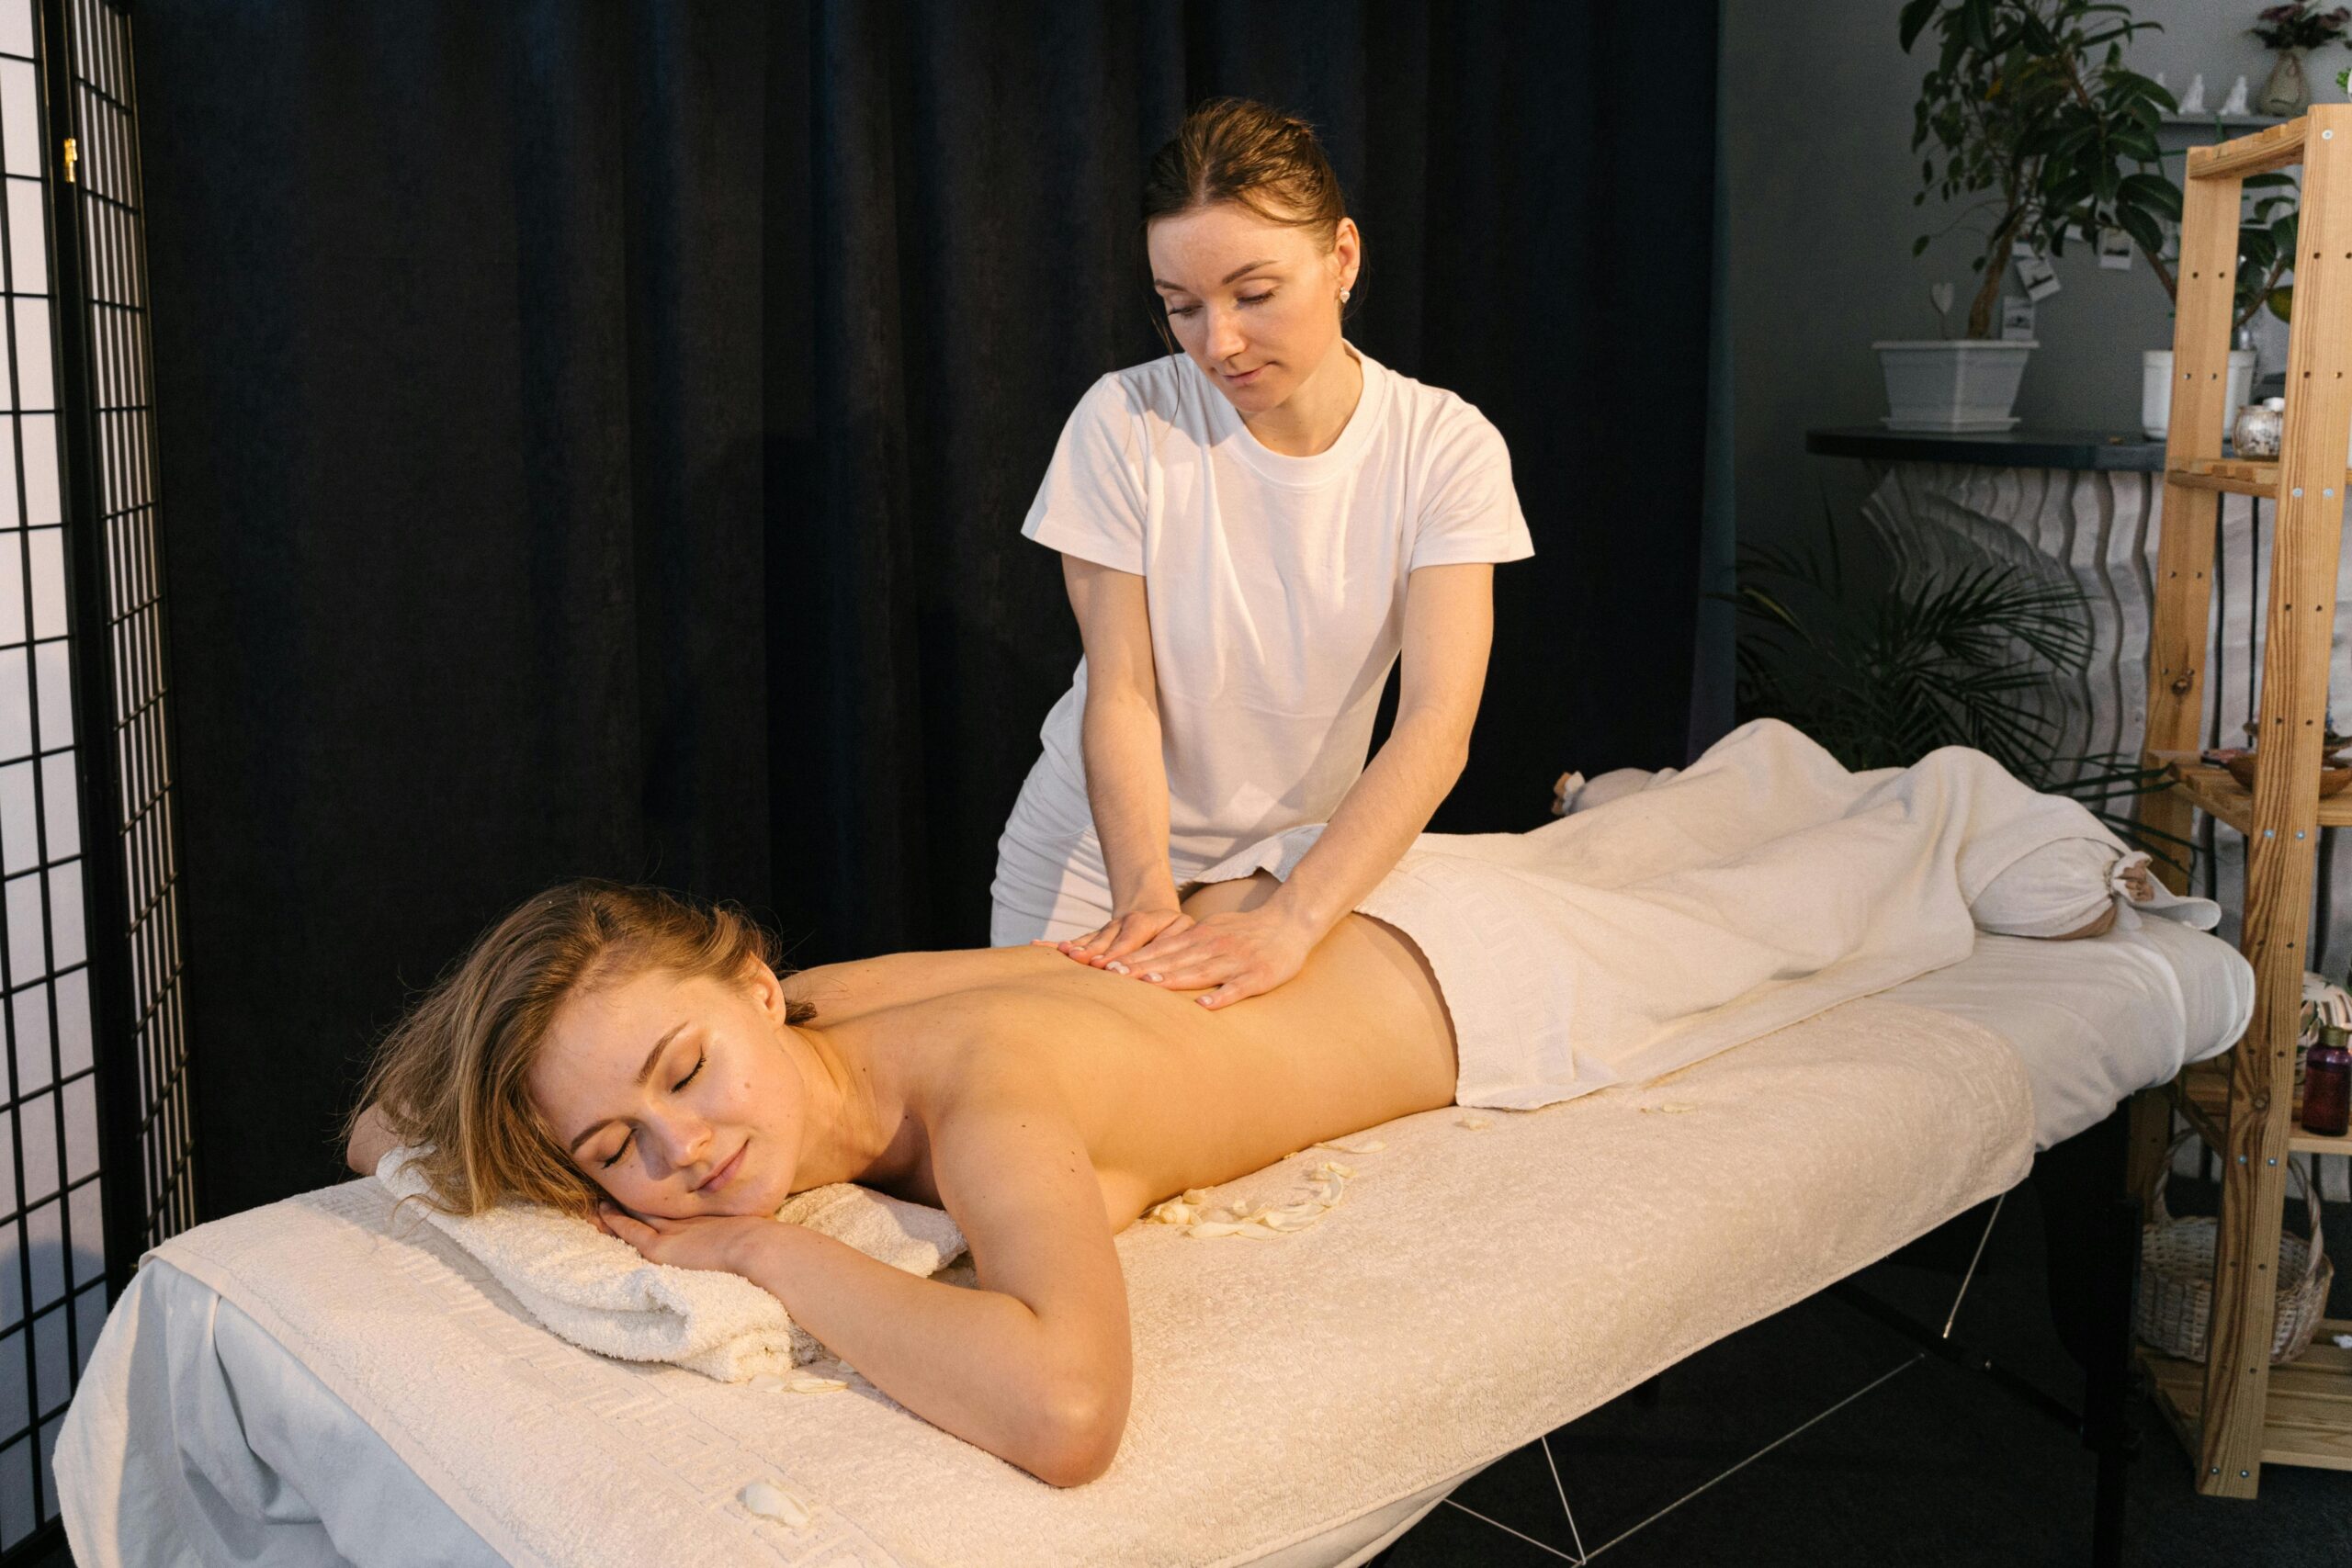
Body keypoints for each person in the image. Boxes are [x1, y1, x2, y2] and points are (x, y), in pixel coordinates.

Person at [344, 727, 2176, 1487]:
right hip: (1393, 910)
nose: (680, 1147)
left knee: (1844, 902)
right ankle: (1708, 782)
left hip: (1494, 983)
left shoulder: (974, 1092)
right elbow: (389, 1137)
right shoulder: (815, 1016)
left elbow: (1064, 1408)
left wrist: (751, 1244)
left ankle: (1977, 809)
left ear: (747, 984)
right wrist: (551, 1130)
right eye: (616, 1154)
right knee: (1695, 822)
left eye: (677, 1074)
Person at [991, 96, 1532, 1010]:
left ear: (1342, 258)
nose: (1219, 343)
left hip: (1298, 865)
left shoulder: (1443, 446)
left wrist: (1295, 919)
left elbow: (1435, 723)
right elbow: (1120, 691)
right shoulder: (1123, 421)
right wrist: (1144, 907)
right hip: (1099, 858)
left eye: (1253, 294)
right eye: (1181, 308)